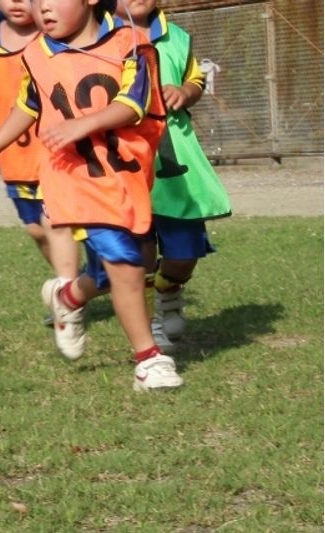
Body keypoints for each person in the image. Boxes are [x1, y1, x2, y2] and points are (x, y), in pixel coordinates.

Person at [0, 0, 183, 391]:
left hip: (125, 177)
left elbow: (136, 100)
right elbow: (28, 104)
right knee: (124, 263)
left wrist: (84, 124)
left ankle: (71, 297)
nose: (44, 10)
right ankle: (149, 360)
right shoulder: (37, 53)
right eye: (37, 2)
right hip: (73, 179)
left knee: (134, 264)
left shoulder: (131, 43)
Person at [114, 0, 231, 351]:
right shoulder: (94, 38)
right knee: (140, 250)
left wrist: (185, 92)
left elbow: (194, 79)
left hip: (175, 166)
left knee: (184, 255)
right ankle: (150, 328)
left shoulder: (178, 37)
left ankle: (170, 289)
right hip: (127, 164)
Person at [0, 0, 78, 327]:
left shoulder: (56, 37)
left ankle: (70, 297)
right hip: (15, 158)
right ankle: (69, 282)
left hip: (57, 153)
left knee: (59, 225)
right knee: (36, 229)